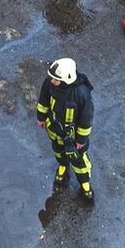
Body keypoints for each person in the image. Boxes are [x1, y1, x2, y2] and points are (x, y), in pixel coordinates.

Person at [36, 57, 95, 200]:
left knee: (79, 159)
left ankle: (85, 182)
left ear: (66, 79)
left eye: (56, 79)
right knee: (58, 150)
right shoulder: (50, 83)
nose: (52, 81)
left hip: (74, 136)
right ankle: (63, 166)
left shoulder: (81, 94)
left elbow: (86, 118)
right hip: (55, 128)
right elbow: (43, 100)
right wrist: (41, 117)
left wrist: (81, 139)